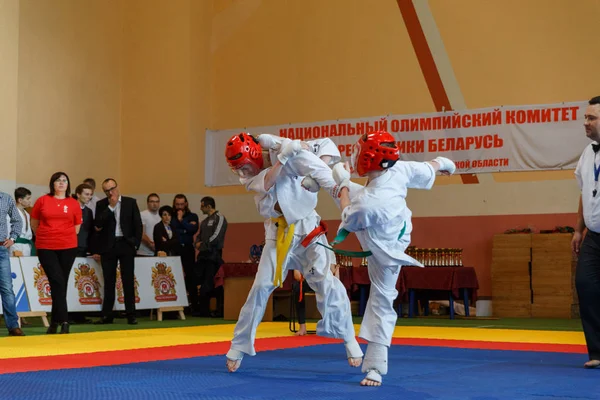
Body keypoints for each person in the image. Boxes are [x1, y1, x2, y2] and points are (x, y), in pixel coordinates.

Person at [223, 132, 362, 373]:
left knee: (326, 284)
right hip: (279, 233)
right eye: (238, 169)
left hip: (309, 228)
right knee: (260, 286)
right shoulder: (254, 177)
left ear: (255, 155)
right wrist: (283, 159)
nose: (242, 173)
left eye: (244, 166)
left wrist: (285, 147)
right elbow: (267, 182)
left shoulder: (288, 152)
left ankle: (350, 340)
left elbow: (324, 157)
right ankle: (239, 344)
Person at [330, 130, 455, 386]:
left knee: (382, 298)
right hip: (385, 225)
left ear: (368, 160)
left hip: (386, 249)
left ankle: (376, 366)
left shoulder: (369, 203)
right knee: (338, 182)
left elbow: (348, 215)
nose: (353, 156)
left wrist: (343, 183)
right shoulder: (397, 169)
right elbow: (427, 167)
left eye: (358, 153)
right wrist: (443, 164)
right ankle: (314, 179)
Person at [31, 172, 82, 334]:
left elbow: (77, 227)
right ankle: (65, 320)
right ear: (52, 184)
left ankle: (55, 322)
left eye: (64, 180)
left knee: (60, 283)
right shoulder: (42, 201)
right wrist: (48, 234)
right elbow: (34, 224)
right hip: (46, 246)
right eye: (58, 180)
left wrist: (63, 235)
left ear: (68, 184)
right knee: (57, 280)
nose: (61, 183)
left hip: (68, 246)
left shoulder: (73, 203)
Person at [572, 96, 600, 369]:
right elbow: (584, 192)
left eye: (592, 118)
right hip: (594, 236)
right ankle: (597, 352)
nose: (586, 123)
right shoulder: (588, 152)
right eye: (586, 118)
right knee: (586, 285)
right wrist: (578, 229)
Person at [94, 178, 142, 325]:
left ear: (117, 187)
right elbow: (98, 224)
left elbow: (138, 225)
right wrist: (111, 207)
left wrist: (135, 244)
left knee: (128, 280)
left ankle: (131, 314)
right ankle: (107, 315)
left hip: (126, 244)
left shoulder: (130, 202)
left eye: (112, 188)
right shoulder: (101, 204)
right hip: (108, 246)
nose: (110, 192)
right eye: (107, 190)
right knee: (109, 281)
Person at [195, 196, 228, 317]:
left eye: (202, 205)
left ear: (209, 206)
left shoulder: (220, 218)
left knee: (213, 283)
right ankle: (204, 310)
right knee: (202, 283)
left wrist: (203, 245)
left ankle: (219, 310)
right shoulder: (204, 222)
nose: (200, 208)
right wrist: (197, 244)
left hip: (214, 255)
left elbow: (217, 236)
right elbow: (199, 236)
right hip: (203, 255)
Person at [0, 191, 25, 336]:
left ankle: (13, 325)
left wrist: (13, 238)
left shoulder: (5, 198)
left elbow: (17, 220)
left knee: (7, 289)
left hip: (1, 248)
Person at [171, 194, 199, 313]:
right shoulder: (170, 215)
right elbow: (172, 229)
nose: (180, 207)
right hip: (175, 248)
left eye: (182, 204)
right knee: (174, 276)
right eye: (177, 204)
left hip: (188, 249)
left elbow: (192, 230)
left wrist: (181, 220)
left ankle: (194, 306)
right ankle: (174, 306)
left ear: (186, 203)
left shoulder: (192, 216)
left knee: (190, 276)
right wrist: (184, 228)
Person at [8, 187, 34, 257]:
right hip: (15, 245)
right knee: (16, 266)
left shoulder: (27, 214)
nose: (30, 201)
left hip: (27, 245)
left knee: (25, 267)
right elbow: (7, 230)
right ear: (20, 200)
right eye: (28, 198)